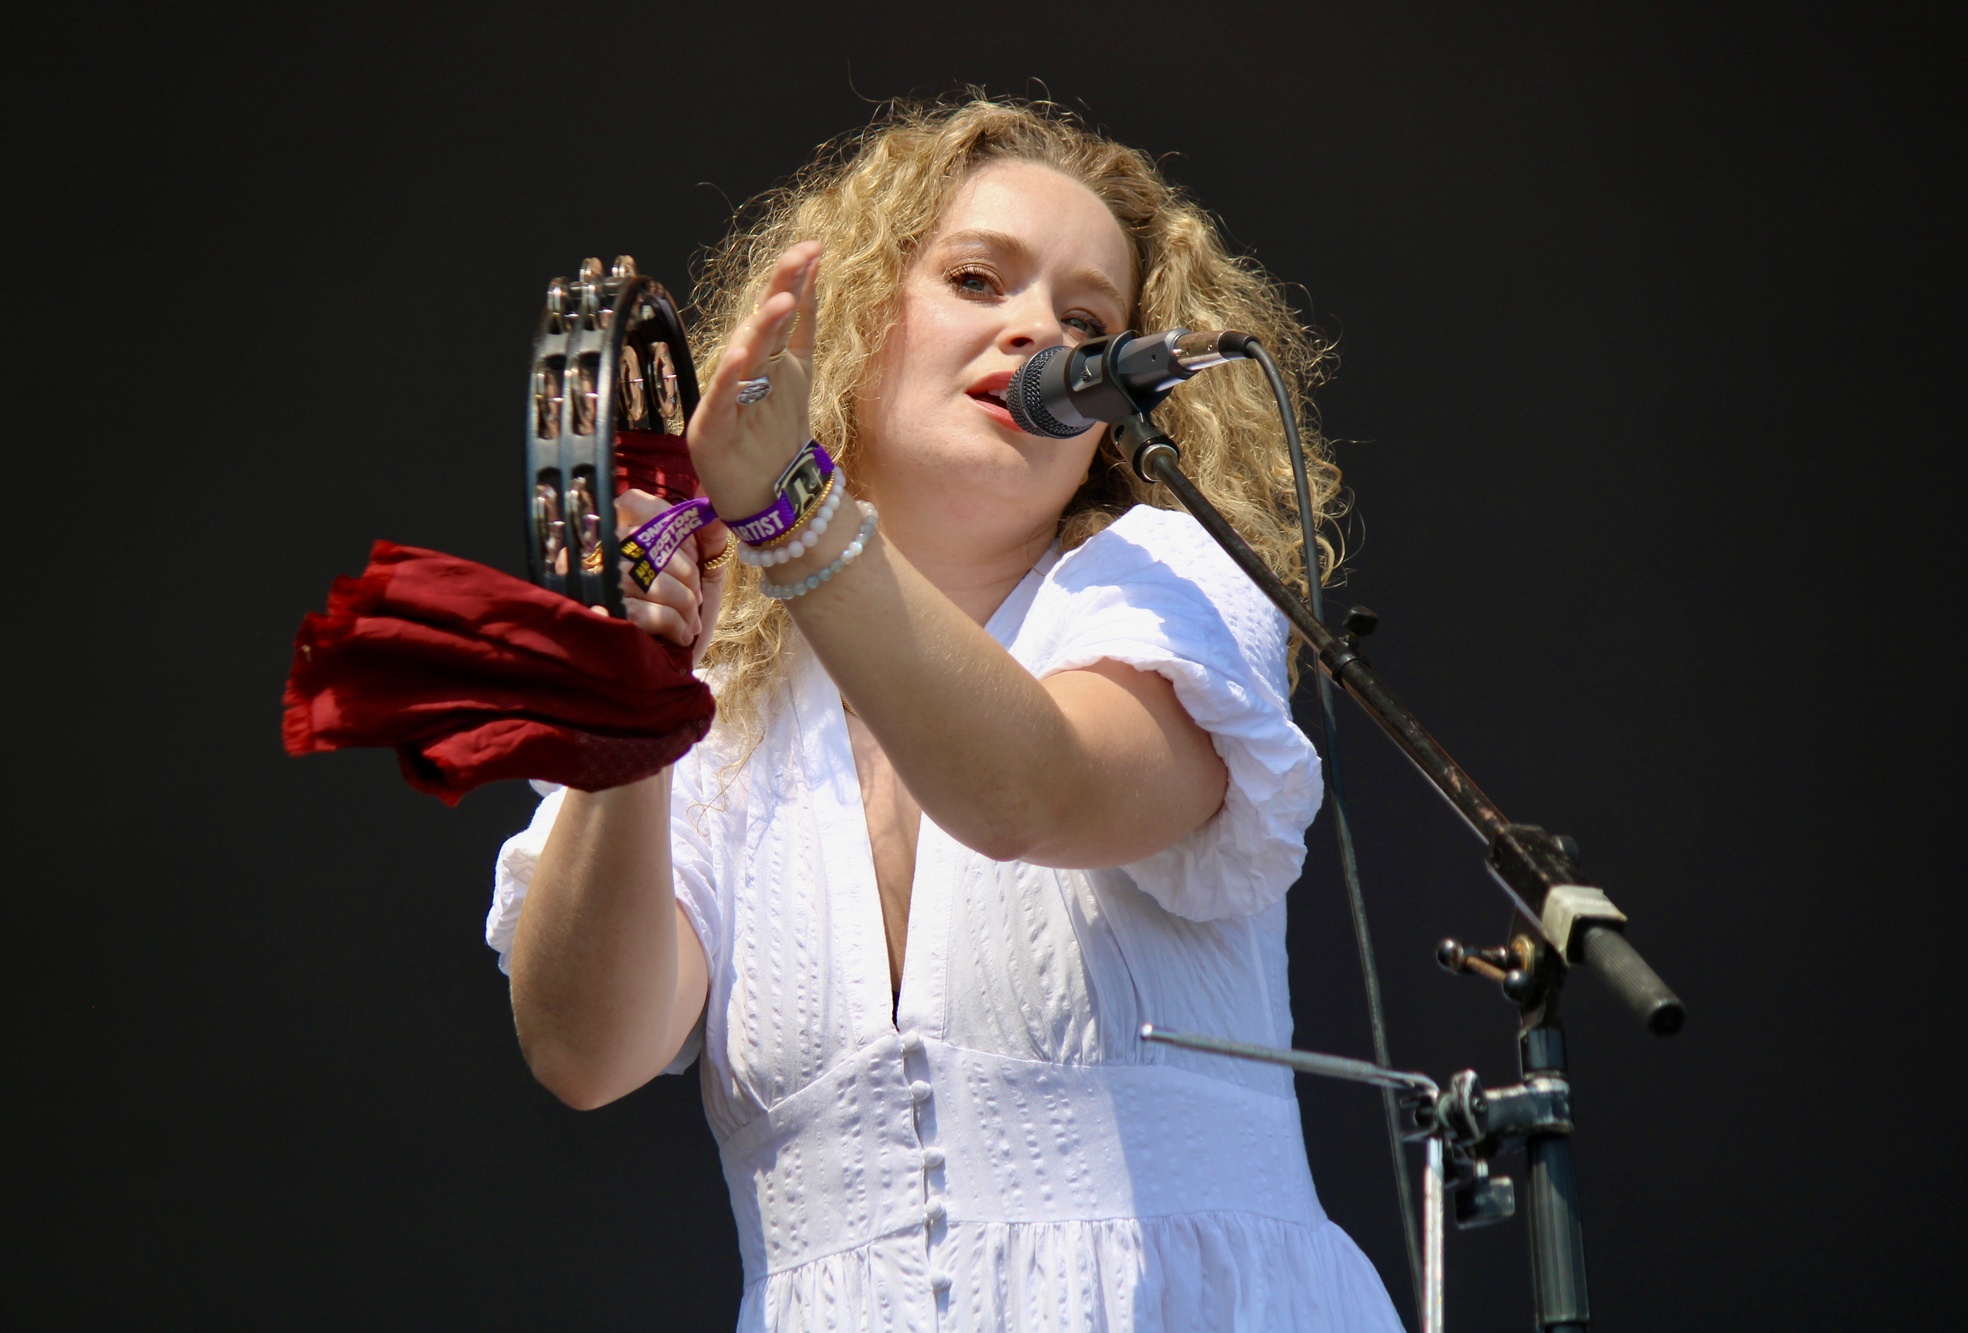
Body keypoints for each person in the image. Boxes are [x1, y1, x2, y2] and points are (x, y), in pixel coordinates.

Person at [487, 98, 1404, 1331]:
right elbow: (584, 1049)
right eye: (977, 279)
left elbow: (1027, 792)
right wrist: (633, 710)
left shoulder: (1169, 584)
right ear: (855, 317)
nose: (1038, 332)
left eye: (1089, 324)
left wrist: (792, 514)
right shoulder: (729, 712)